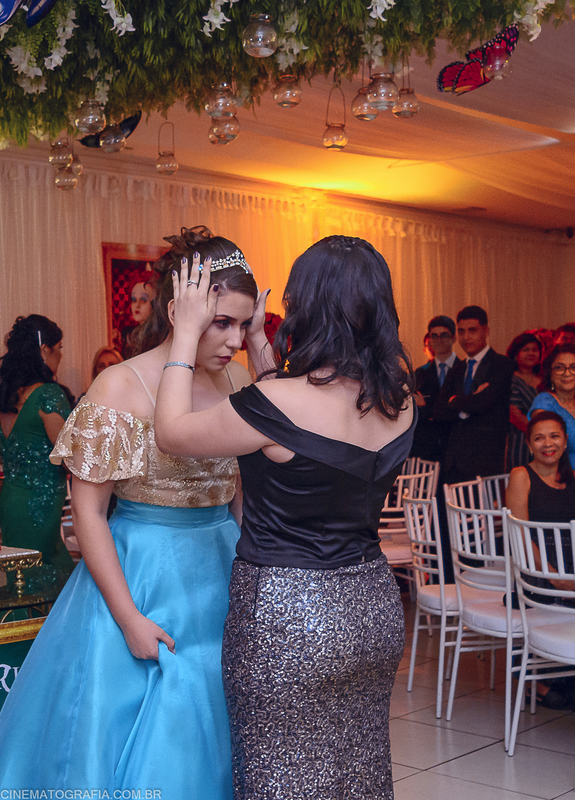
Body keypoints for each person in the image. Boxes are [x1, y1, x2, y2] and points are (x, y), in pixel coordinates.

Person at [0, 226, 265, 795]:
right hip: (143, 573)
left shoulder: (235, 378)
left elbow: (238, 494)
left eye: (243, 324)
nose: (233, 340)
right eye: (221, 323)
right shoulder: (118, 387)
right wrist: (128, 618)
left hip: (223, 566)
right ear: (179, 311)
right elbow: (88, 513)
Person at [154, 235, 415, 799]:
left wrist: (185, 335)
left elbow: (172, 432)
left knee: (280, 774)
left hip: (287, 616)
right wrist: (258, 344)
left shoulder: (275, 406)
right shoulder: (400, 401)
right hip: (372, 608)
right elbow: (296, 415)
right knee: (356, 774)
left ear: (308, 307)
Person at [504, 411, 575, 710]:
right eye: (539, 438)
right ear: (529, 444)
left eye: (554, 436)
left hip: (570, 571)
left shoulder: (574, 478)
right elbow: (520, 536)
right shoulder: (521, 476)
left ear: (565, 441)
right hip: (533, 574)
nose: (547, 444)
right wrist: (555, 577)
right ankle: (535, 680)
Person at [0, 315, 73, 569]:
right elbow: (68, 457)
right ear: (45, 350)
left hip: (11, 500)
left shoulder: (0, 398)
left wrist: (20, 458)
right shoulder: (49, 395)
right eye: (59, 347)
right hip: (41, 504)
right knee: (49, 569)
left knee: (20, 572)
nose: (61, 355)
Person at [436, 305, 513, 485]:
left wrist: (455, 401)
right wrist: (467, 405)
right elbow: (439, 411)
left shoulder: (501, 365)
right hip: (454, 462)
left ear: (486, 331)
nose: (466, 337)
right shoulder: (457, 368)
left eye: (472, 331)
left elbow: (483, 404)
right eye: (461, 331)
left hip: (485, 461)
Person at [529, 344, 575, 512]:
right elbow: (543, 453)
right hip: (558, 488)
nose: (567, 373)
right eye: (560, 368)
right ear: (551, 374)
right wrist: (574, 490)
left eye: (574, 367)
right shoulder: (544, 403)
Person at [411, 315, 459, 462]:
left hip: (456, 446)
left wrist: (426, 407)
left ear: (453, 338)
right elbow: (415, 410)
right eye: (434, 336)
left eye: (444, 335)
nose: (439, 340)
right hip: (427, 448)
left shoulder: (464, 369)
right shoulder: (420, 373)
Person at [505, 332, 544, 470]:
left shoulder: (544, 380)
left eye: (534, 350)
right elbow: (514, 414)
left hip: (545, 441)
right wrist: (537, 433)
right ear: (516, 354)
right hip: (520, 441)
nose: (531, 353)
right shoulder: (511, 379)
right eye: (526, 350)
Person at [123, 273, 160, 357]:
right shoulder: (129, 335)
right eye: (134, 300)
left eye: (143, 300)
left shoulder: (158, 336)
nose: (137, 305)